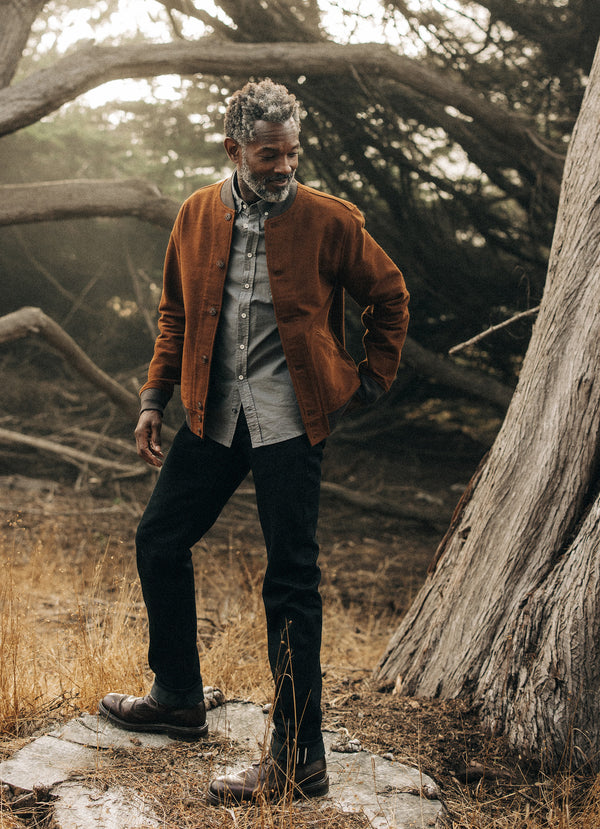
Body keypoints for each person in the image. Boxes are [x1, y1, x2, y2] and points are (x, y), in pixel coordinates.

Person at [98, 78, 409, 805]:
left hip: (292, 425)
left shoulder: (330, 221)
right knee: (159, 538)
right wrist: (154, 396)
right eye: (269, 154)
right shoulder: (197, 215)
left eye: (292, 153)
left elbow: (388, 294)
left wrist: (368, 380)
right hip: (215, 415)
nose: (283, 167)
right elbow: (174, 312)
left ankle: (299, 758)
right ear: (233, 148)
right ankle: (177, 695)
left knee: (291, 582)